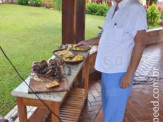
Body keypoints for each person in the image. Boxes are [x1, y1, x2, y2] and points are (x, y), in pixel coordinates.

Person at [77, 0, 147, 121]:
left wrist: (129, 75)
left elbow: (140, 43)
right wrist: (88, 42)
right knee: (108, 107)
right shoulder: (113, 8)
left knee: (113, 115)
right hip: (107, 70)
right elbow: (106, 36)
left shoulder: (135, 8)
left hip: (120, 73)